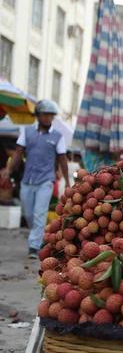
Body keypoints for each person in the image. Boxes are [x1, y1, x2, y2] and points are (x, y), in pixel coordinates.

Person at [2, 99, 68, 257]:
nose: (48, 118)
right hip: (27, 180)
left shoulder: (58, 136)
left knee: (40, 213)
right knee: (29, 214)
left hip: (46, 180)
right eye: (45, 115)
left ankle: (34, 246)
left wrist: (68, 180)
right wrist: (9, 169)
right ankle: (38, 236)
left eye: (51, 116)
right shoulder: (26, 132)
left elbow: (62, 159)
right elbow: (18, 153)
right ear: (38, 115)